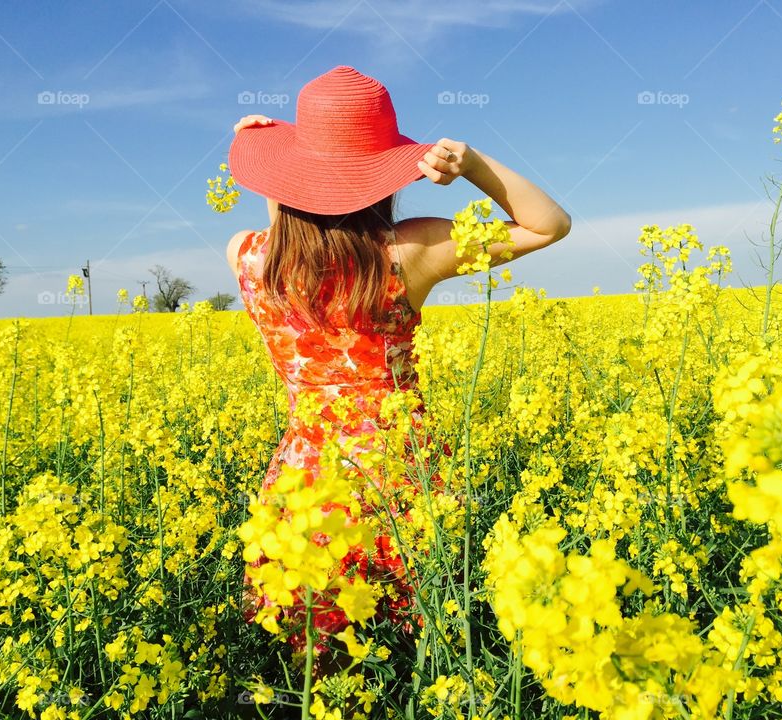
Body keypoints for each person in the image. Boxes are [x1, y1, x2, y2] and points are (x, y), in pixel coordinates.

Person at [225, 65, 570, 664]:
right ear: (383, 175)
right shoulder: (413, 250)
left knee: (317, 662)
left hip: (304, 479)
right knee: (408, 656)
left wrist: (262, 149)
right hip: (397, 474)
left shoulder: (248, 256)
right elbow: (549, 225)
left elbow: (292, 209)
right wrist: (474, 165)